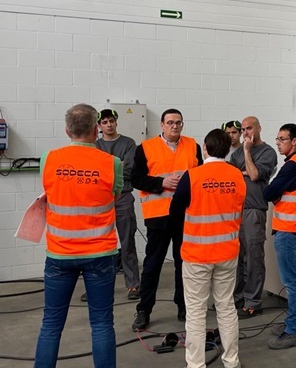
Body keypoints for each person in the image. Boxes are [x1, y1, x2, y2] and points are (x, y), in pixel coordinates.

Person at [35, 104, 123, 367]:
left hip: (60, 254)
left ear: (67, 130)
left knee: (51, 323)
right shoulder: (112, 163)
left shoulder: (48, 159)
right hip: (100, 254)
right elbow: (115, 199)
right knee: (102, 323)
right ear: (96, 130)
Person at [170, 129, 246, 368]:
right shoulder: (237, 176)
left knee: (196, 312)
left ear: (205, 148)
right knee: (226, 307)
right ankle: (231, 362)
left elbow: (174, 212)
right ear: (228, 149)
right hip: (227, 252)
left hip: (197, 255)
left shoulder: (192, 176)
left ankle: (196, 365)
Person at [131, 108, 202, 331]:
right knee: (152, 265)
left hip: (186, 217)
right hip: (158, 217)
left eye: (178, 122)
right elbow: (135, 179)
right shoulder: (145, 148)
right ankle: (144, 310)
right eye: (170, 122)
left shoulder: (193, 146)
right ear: (162, 125)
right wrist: (161, 183)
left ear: (182, 124)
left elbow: (200, 176)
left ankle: (184, 307)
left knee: (184, 265)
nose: (174, 126)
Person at [262, 123, 296, 350]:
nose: (278, 143)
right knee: (293, 281)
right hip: (292, 228)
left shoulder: (292, 166)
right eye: (277, 139)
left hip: (289, 230)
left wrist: (273, 191)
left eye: (282, 139)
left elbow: (268, 192)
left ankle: (293, 331)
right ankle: (292, 322)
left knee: (292, 282)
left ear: (295, 141)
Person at [229, 116, 277, 318]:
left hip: (254, 210)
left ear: (259, 128)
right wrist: (245, 171)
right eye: (243, 129)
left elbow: (255, 175)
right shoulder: (236, 153)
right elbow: (231, 176)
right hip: (236, 210)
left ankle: (253, 302)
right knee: (237, 258)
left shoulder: (267, 152)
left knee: (253, 257)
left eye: (249, 128)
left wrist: (247, 153)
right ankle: (237, 298)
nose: (245, 133)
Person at [96, 109, 140, 300]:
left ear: (116, 122)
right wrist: (117, 165)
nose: (109, 125)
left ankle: (133, 285)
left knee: (127, 241)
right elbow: (95, 171)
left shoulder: (128, 143)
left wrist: (106, 168)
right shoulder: (95, 145)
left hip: (123, 196)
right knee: (99, 244)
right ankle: (96, 285)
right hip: (100, 198)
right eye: (105, 122)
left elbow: (129, 170)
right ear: (99, 125)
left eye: (111, 121)